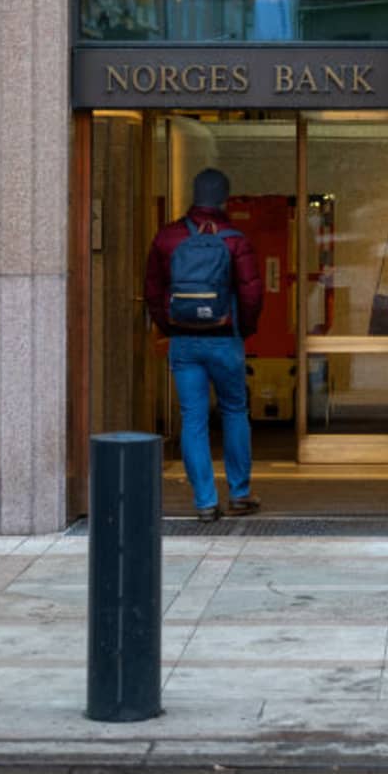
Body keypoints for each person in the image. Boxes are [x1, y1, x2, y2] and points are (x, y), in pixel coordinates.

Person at [144, 168, 266, 521]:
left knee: (193, 419)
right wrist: (244, 329)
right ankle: (240, 493)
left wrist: (171, 325)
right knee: (234, 412)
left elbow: (153, 291)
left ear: (193, 196)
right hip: (225, 339)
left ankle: (205, 502)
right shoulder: (235, 240)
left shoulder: (167, 238)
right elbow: (251, 293)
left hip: (184, 341)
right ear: (224, 198)